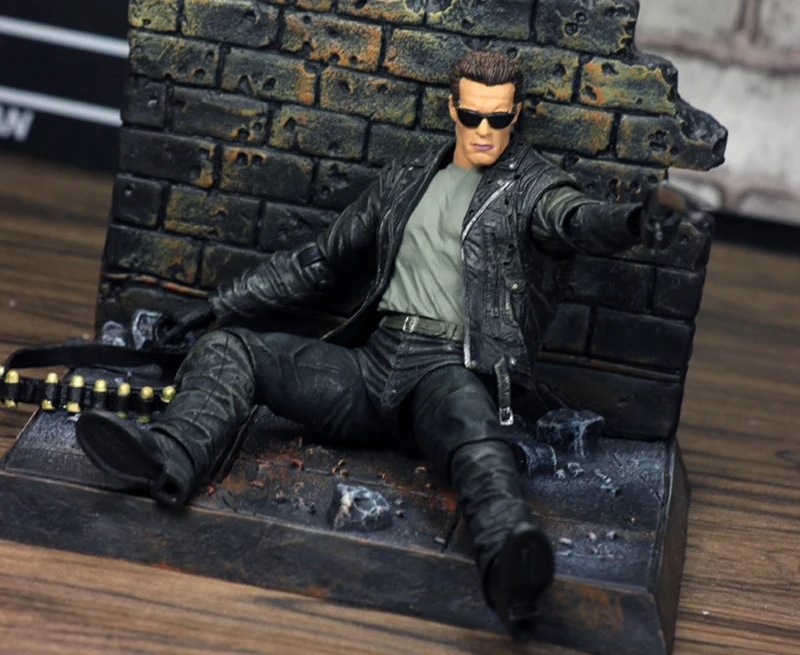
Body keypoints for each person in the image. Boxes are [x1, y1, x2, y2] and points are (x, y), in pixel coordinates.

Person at [77, 51, 680, 636]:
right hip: (373, 367)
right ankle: (167, 458)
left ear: (515, 115)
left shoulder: (531, 189)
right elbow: (321, 259)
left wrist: (633, 222)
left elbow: (576, 219)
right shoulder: (408, 178)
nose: (484, 131)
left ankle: (508, 566)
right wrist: (219, 306)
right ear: (453, 109)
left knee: (475, 434)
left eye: (499, 118)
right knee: (230, 349)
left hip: (447, 369)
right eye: (473, 115)